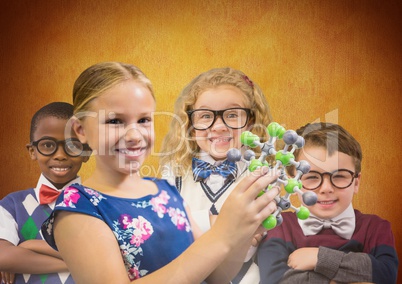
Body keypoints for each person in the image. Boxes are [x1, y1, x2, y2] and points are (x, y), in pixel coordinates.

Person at [40, 62, 280, 284]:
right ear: (80, 130)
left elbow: (217, 276)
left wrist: (241, 231)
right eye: (115, 121)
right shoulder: (77, 206)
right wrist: (223, 233)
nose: (134, 135)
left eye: (144, 120)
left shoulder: (165, 192)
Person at [160, 67, 274, 284]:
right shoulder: (173, 172)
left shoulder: (262, 175)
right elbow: (167, 236)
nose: (219, 126)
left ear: (250, 121)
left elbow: (250, 247)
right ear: (191, 125)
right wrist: (222, 225)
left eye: (232, 115)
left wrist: (194, 222)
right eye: (205, 116)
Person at [257, 122, 399, 284]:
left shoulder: (376, 228)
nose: (326, 188)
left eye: (339, 176)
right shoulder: (277, 226)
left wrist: (320, 258)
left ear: (356, 182)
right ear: (293, 183)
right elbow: (275, 280)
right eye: (311, 177)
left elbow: (387, 275)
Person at [0, 102, 90, 284]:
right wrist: (79, 263)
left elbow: (109, 255)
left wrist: (28, 246)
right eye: (48, 145)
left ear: (86, 152)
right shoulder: (12, 204)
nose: (60, 155)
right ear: (32, 151)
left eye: (72, 146)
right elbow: (4, 257)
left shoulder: (98, 203)